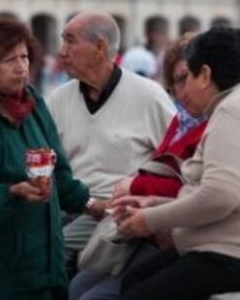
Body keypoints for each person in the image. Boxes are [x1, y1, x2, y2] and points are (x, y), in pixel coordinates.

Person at [111, 26, 240, 299]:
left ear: (205, 75)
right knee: (135, 279)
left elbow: (220, 196)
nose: (183, 91)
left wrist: (150, 220)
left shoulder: (233, 109)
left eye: (189, 77)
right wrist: (154, 203)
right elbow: (238, 196)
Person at [0, 16, 105, 299]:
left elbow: (59, 173)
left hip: (45, 268)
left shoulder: (31, 102)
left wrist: (92, 205)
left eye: (25, 57)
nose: (21, 68)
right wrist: (11, 194)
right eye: (9, 60)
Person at [70, 34, 207, 300]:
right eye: (176, 81)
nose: (182, 90)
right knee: (77, 285)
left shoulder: (210, 123)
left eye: (187, 78)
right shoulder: (181, 121)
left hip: (171, 231)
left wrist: (134, 185)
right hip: (136, 221)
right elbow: (159, 165)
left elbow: (190, 184)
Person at [46, 12, 175, 271]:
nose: (61, 52)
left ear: (100, 48)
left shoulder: (148, 96)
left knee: (50, 248)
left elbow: (175, 161)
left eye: (70, 41)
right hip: (66, 204)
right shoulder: (58, 99)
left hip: (114, 210)